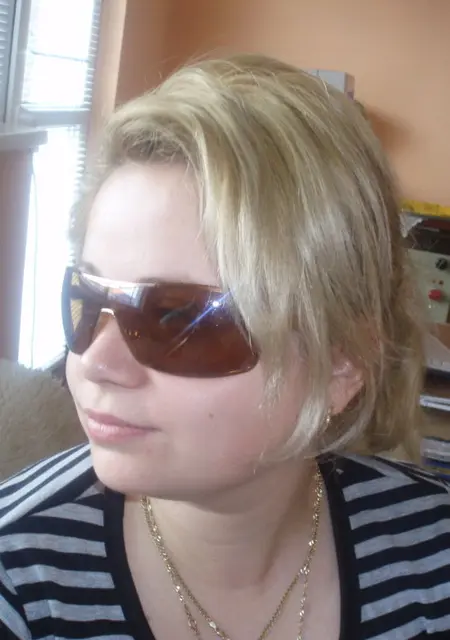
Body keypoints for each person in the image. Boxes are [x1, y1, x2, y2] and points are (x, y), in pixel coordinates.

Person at [0, 53, 449, 640]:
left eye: (179, 318)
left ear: (341, 361)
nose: (92, 363)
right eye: (88, 297)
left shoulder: (434, 556)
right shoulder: (19, 588)